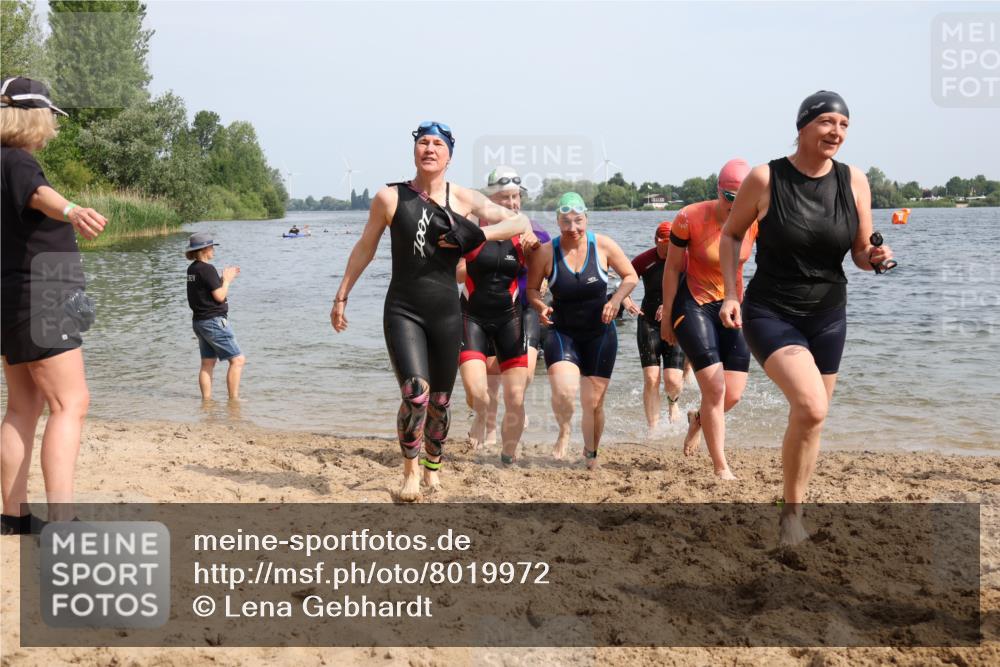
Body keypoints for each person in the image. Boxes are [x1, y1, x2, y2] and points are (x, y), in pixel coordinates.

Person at [719, 91, 894, 544]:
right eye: (827, 122)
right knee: (812, 405)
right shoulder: (766, 178)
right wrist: (731, 293)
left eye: (844, 125)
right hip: (772, 310)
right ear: (802, 127)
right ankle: (792, 516)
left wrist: (873, 257)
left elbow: (856, 250)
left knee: (813, 417)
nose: (836, 132)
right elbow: (732, 235)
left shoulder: (853, 180)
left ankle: (790, 509)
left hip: (829, 314)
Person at [330, 122, 536, 502]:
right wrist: (342, 294)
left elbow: (519, 221)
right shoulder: (389, 198)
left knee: (440, 401)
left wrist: (478, 234)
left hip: (446, 313)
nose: (429, 149)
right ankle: (409, 471)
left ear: (449, 155)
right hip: (403, 309)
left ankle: (432, 468)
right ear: (414, 151)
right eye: (423, 142)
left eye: (437, 144)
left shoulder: (463, 199)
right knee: (416, 394)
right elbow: (365, 247)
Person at [1, 77, 108, 533]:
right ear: (33, 117)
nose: (54, 130)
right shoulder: (17, 162)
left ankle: (13, 516)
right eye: (50, 120)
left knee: (23, 406)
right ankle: (63, 522)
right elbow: (38, 195)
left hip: (11, 299)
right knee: (71, 403)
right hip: (41, 296)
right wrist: (71, 210)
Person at [527, 192, 637, 469]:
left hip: (600, 336)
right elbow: (530, 288)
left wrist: (614, 301)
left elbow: (631, 276)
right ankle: (564, 430)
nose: (573, 228)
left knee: (594, 403)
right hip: (563, 333)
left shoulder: (603, 246)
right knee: (564, 392)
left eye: (578, 221)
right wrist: (540, 306)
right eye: (566, 222)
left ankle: (590, 454)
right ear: (557, 222)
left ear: (586, 219)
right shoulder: (545, 252)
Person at [661, 158, 756, 480]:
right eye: (730, 197)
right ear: (718, 192)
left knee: (733, 394)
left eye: (743, 198)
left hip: (733, 306)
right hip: (695, 305)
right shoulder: (689, 217)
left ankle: (697, 419)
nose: (736, 205)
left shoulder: (756, 220)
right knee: (714, 389)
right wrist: (666, 316)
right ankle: (721, 467)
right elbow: (673, 268)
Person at [458, 166, 550, 460]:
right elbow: (457, 273)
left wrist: (537, 256)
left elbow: (546, 274)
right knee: (482, 384)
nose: (512, 204)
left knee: (520, 381)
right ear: (489, 199)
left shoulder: (531, 231)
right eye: (505, 198)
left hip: (520, 310)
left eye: (516, 198)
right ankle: (484, 421)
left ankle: (504, 434)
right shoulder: (473, 228)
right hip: (477, 310)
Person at [623, 221, 687, 431]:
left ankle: (673, 403)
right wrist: (625, 300)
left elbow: (696, 290)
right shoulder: (645, 259)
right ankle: (653, 428)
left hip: (676, 323)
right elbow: (626, 278)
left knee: (673, 380)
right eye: (663, 243)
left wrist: (671, 307)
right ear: (656, 241)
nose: (667, 248)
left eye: (671, 243)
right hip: (648, 322)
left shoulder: (686, 259)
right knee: (651, 378)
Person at [185, 232, 246, 401]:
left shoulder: (192, 269)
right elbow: (219, 296)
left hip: (199, 322)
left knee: (207, 363)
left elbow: (205, 291)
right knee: (238, 360)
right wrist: (226, 280)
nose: (213, 250)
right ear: (204, 249)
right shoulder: (207, 268)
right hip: (213, 321)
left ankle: (207, 401)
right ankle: (234, 400)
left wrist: (219, 279)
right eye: (211, 247)